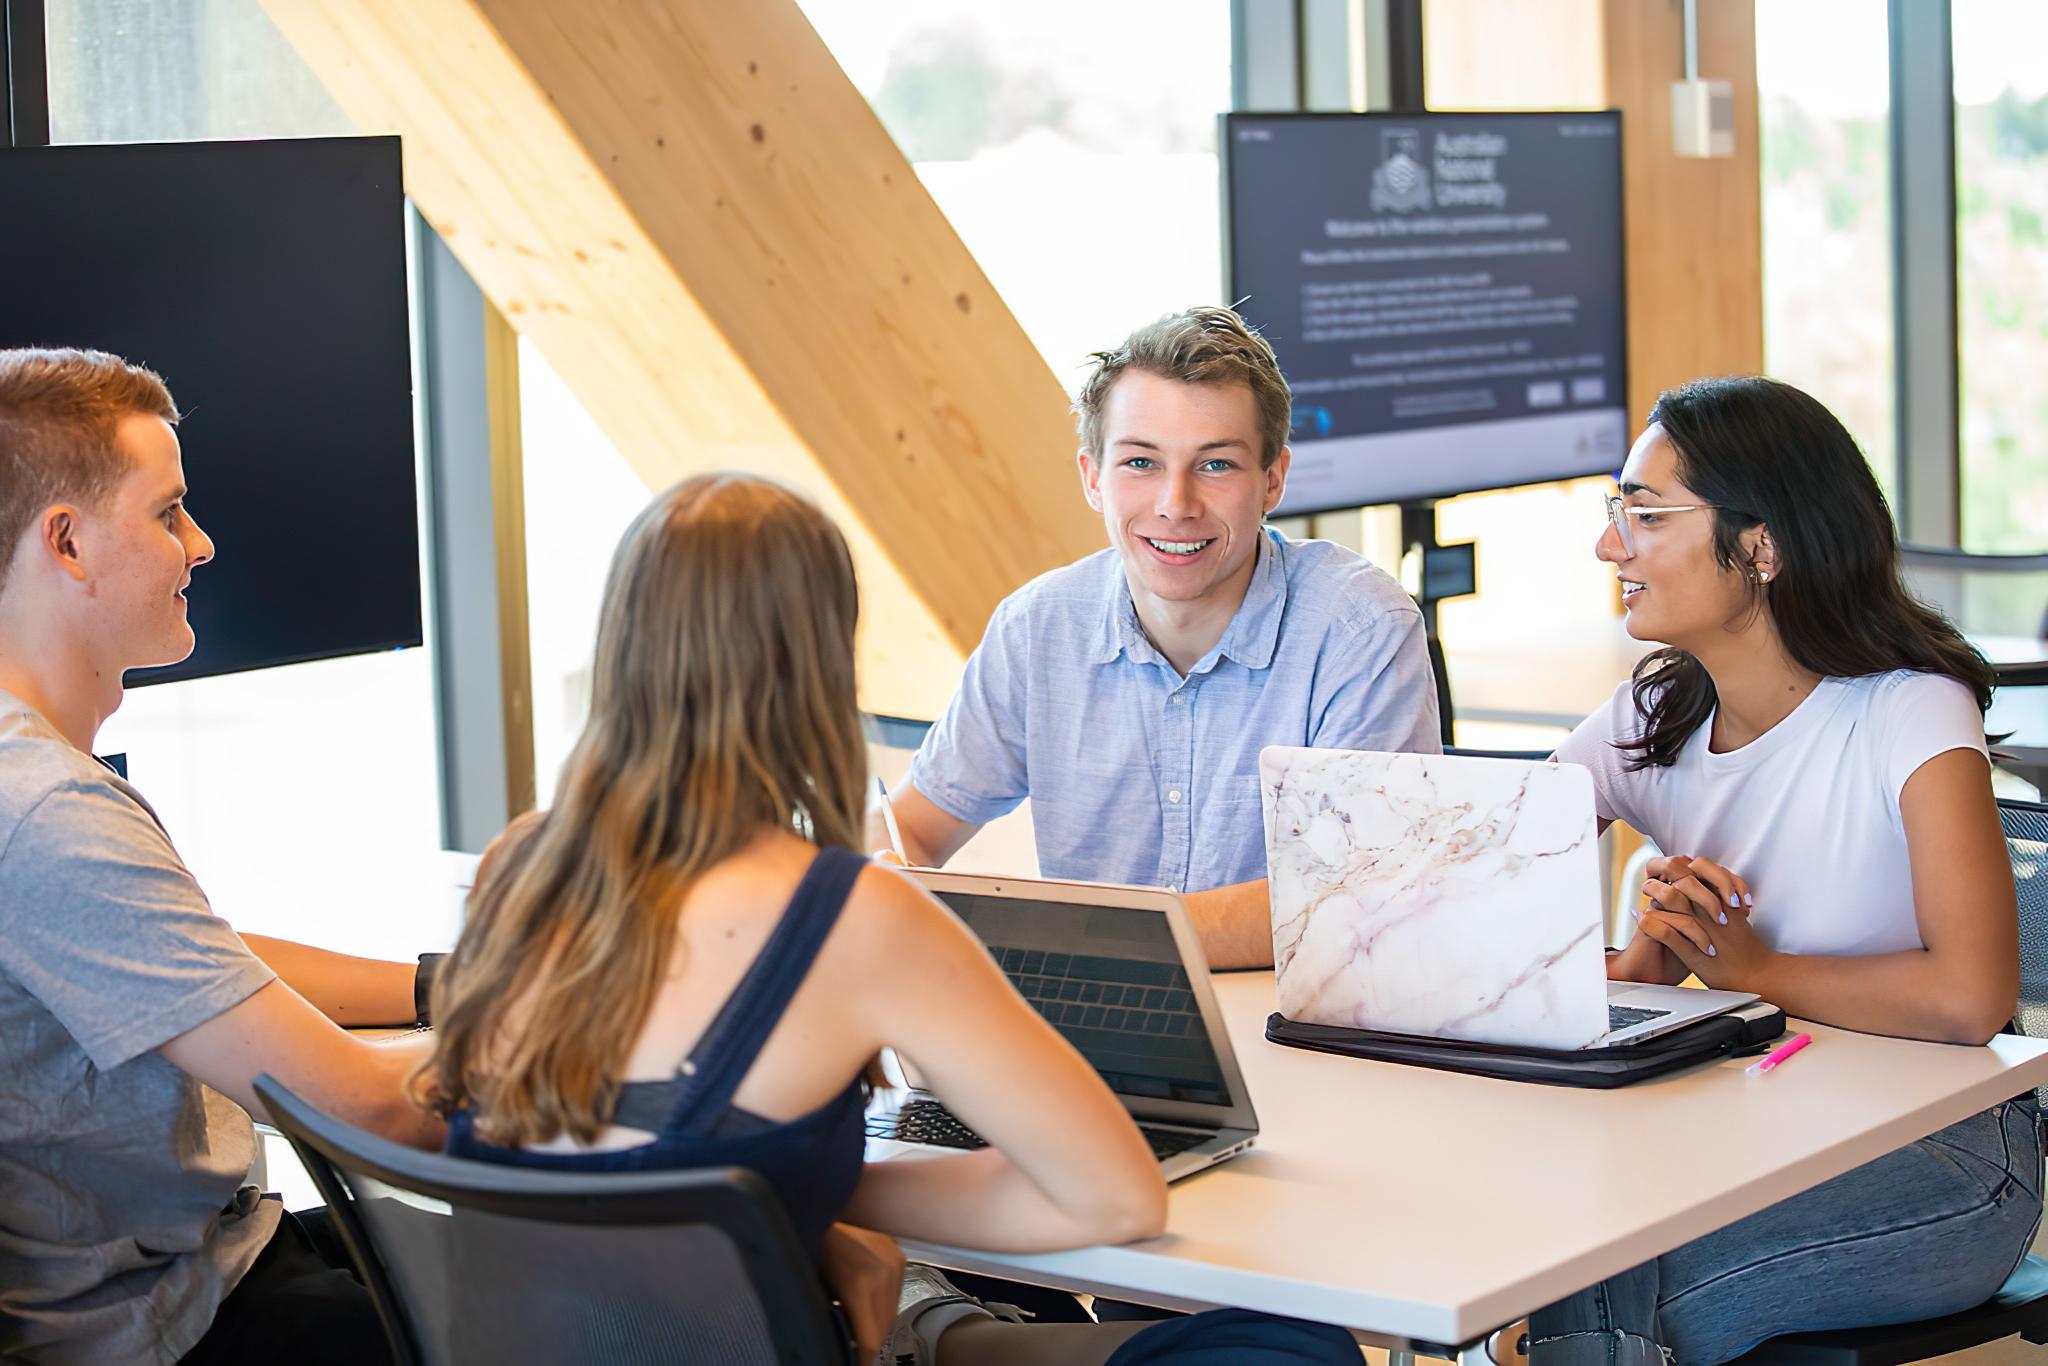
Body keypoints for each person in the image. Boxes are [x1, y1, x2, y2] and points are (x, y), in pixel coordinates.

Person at [419, 473, 1360, 1365]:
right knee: (1292, 1345)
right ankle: (947, 1329)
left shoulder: (521, 870)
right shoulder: (850, 913)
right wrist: (803, 1200)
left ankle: (949, 1328)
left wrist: (768, 1201)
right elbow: (1115, 1198)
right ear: (819, 664)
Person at [1526, 376, 2038, 1364]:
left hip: (1947, 1153)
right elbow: (1471, 878)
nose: (1608, 546)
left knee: (1600, 1288)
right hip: (1747, 1124)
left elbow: (1967, 997)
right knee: (1561, 1252)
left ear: (1758, 546)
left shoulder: (1909, 709)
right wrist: (1637, 975)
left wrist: (1743, 967)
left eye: (1642, 514)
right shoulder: (1652, 718)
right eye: (1612, 513)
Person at [0, 347, 445, 1365]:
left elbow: (192, 961)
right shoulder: (41, 809)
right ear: (67, 545)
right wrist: (617, 1044)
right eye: (167, 514)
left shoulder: (35, 775)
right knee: (654, 1308)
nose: (198, 546)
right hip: (175, 1326)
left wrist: (444, 986)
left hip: (210, 1263)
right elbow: (371, 1107)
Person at [884, 305, 1440, 969]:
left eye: (1215, 466)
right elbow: (911, 830)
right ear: (1093, 478)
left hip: (1295, 1028)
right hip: (1099, 1022)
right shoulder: (1039, 628)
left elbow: (1360, 898)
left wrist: (1074, 939)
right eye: (1142, 463)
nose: (1176, 504)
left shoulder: (1360, 629)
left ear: (1273, 480)